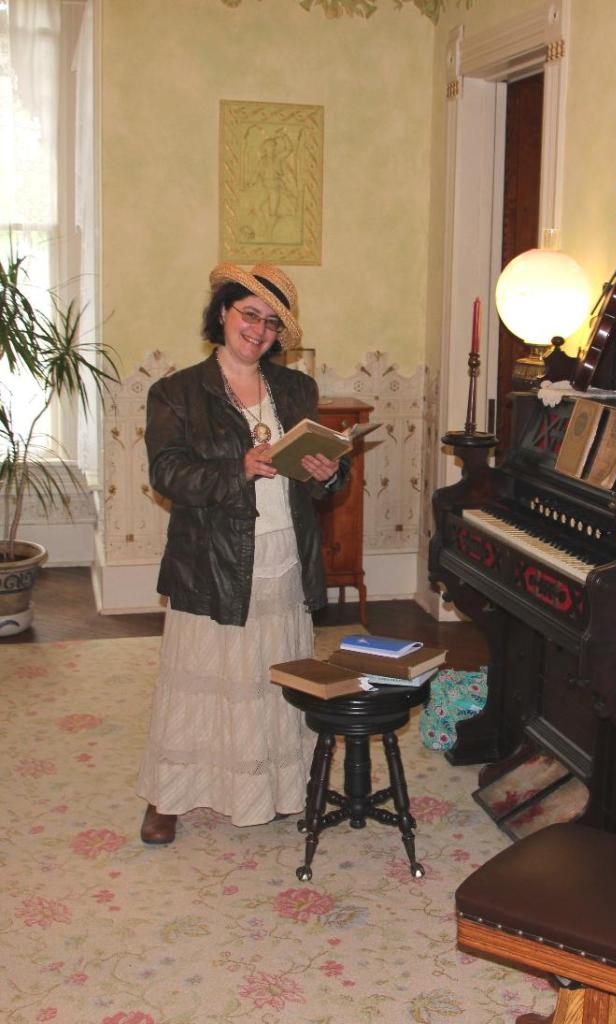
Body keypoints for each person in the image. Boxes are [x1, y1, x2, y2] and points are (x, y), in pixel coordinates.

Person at [137, 262, 349, 845]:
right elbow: (167, 473)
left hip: (284, 553)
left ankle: (273, 787)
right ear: (223, 314)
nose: (259, 330)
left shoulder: (297, 389)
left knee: (273, 678)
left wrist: (328, 472)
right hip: (212, 558)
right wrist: (240, 468)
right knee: (199, 681)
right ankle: (168, 797)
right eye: (249, 314)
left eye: (272, 322)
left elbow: (323, 483)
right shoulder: (176, 392)